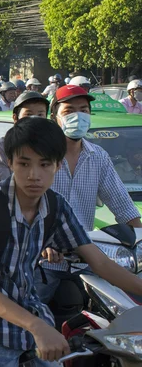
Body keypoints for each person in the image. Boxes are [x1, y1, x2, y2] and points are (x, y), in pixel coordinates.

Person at [0, 116, 142, 367]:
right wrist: (37, 326)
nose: (34, 175)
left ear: (57, 166)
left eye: (44, 164)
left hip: (34, 322)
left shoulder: (55, 205)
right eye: (24, 163)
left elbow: (100, 263)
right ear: (10, 163)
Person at [34, 84, 142, 303]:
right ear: (55, 116)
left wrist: (140, 236)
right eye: (69, 111)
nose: (78, 116)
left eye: (83, 110)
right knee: (29, 316)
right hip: (42, 259)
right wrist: (42, 243)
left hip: (87, 259)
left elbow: (121, 203)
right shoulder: (40, 157)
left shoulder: (98, 156)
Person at [0, 91, 50, 186]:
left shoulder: (50, 145)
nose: (35, 119)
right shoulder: (1, 147)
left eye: (40, 115)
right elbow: (2, 186)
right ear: (15, 118)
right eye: (28, 114)